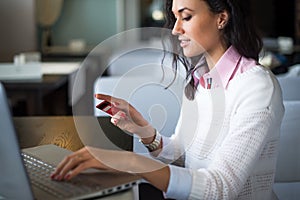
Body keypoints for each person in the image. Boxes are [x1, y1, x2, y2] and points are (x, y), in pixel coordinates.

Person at [51, 0, 284, 199]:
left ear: (221, 18)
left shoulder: (256, 86)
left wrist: (131, 162)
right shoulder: (201, 78)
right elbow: (183, 155)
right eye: (174, 18)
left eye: (186, 17)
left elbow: (219, 189)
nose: (175, 30)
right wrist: (145, 132)